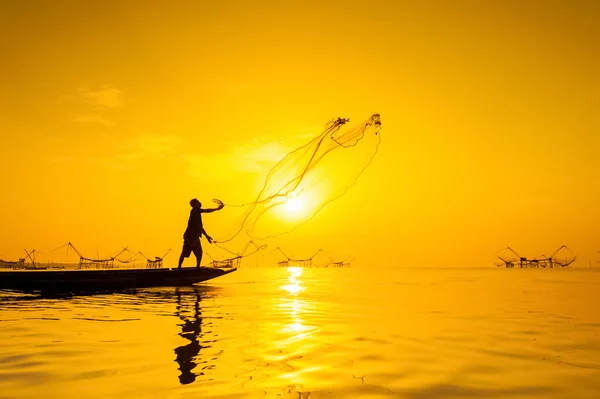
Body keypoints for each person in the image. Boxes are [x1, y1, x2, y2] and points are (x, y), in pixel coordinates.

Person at [178, 198, 224, 268]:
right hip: (191, 237)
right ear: (195, 205)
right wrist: (206, 236)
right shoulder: (195, 212)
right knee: (190, 253)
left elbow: (206, 211)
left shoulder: (196, 211)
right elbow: (199, 227)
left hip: (192, 237)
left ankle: (183, 268)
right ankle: (185, 268)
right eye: (198, 202)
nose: (200, 202)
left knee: (194, 253)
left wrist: (217, 209)